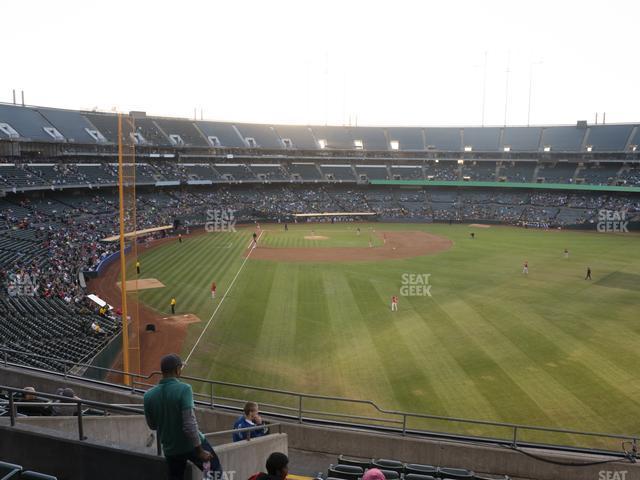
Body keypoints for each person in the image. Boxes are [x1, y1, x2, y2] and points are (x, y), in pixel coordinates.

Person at [144, 354, 222, 480]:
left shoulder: (148, 396)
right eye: (180, 367)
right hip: (191, 446)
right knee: (215, 471)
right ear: (177, 370)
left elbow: (152, 425)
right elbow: (189, 424)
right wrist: (199, 450)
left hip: (171, 449)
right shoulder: (184, 389)